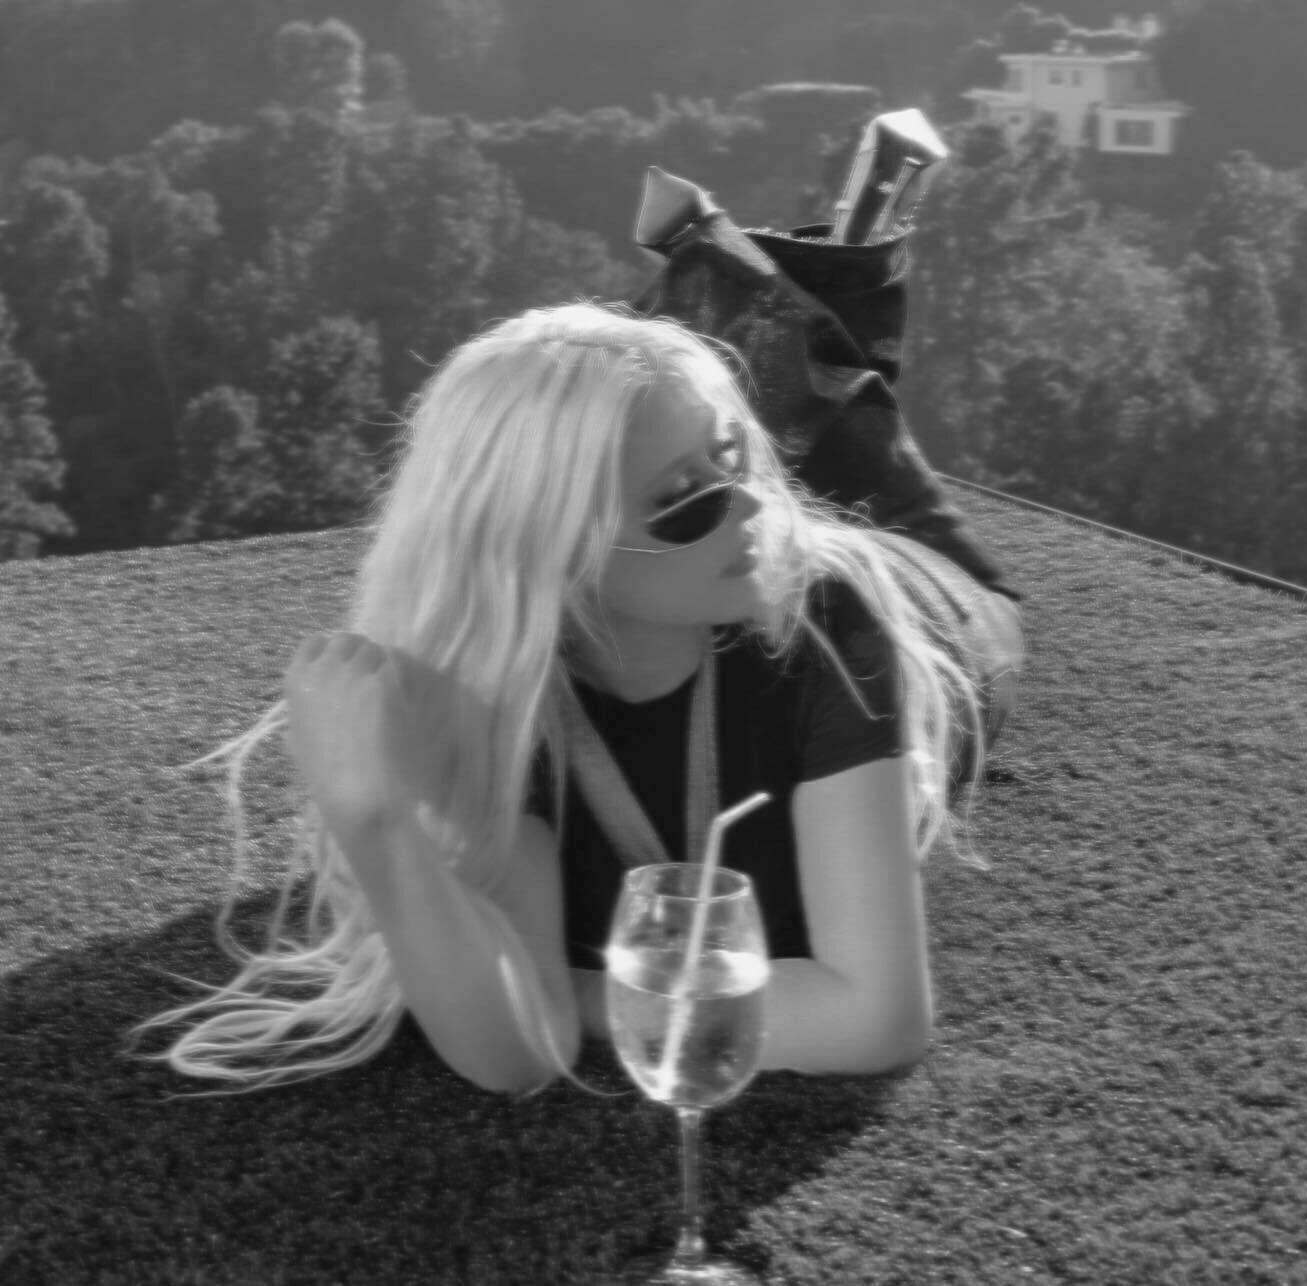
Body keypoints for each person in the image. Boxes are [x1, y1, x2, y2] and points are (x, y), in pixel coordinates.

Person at [135, 298, 1022, 1097]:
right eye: (683, 499)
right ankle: (743, 283)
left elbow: (875, 1020)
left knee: (838, 384)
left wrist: (576, 990)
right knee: (781, 354)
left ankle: (790, 284)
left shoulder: (827, 624)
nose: (750, 507)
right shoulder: (495, 695)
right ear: (554, 548)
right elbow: (518, 1056)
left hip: (943, 608)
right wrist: (378, 824)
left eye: (736, 462)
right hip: (710, 588)